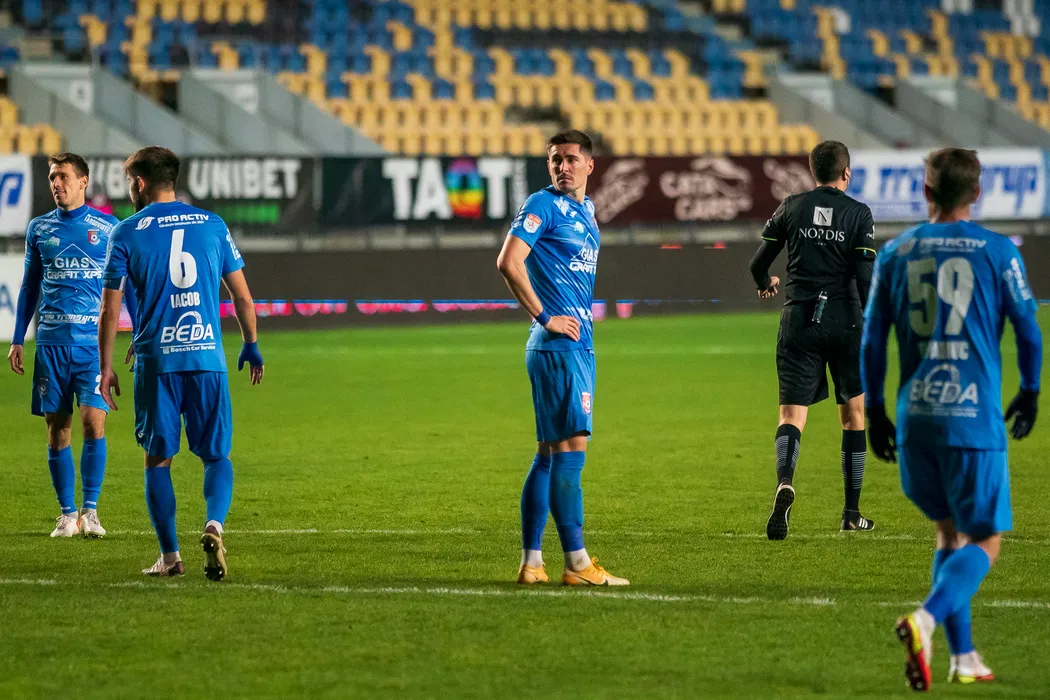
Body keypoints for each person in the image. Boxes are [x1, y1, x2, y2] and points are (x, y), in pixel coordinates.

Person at [861, 148, 1041, 691]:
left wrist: (875, 411)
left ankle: (963, 657)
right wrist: (1030, 390)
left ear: (926, 192)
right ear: (977, 193)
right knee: (985, 540)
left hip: (916, 419)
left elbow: (872, 342)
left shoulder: (896, 252)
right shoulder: (999, 251)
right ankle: (925, 620)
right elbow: (1029, 331)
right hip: (971, 418)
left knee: (948, 532)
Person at [99, 146, 264, 580]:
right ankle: (214, 525)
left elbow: (110, 310)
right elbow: (243, 298)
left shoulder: (126, 232)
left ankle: (171, 557)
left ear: (139, 183)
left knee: (158, 460)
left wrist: (106, 366)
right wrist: (250, 344)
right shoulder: (213, 224)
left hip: (157, 363)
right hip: (207, 356)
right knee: (217, 457)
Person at [496, 130, 628, 586]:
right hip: (559, 346)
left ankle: (532, 563)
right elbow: (508, 261)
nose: (563, 167)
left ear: (590, 165)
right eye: (555, 159)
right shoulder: (543, 205)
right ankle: (578, 563)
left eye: (571, 159)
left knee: (548, 455)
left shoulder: (586, 211)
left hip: (571, 346)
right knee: (570, 453)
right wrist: (545, 316)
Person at [749, 140, 877, 539]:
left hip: (799, 321)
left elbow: (757, 264)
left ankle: (785, 482)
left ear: (812, 171)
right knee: (853, 416)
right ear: (846, 172)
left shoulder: (792, 206)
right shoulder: (858, 213)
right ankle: (851, 513)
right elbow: (865, 279)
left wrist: (765, 283)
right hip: (846, 323)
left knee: (791, 417)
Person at [7, 153, 134, 538]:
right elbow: (29, 285)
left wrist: (139, 331)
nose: (56, 183)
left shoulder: (109, 228)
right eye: (51, 177)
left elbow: (127, 286)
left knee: (94, 423)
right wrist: (17, 338)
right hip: (51, 344)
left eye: (62, 176)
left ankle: (90, 511)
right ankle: (67, 515)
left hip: (92, 346)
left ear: (83, 181)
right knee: (57, 428)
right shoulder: (39, 228)